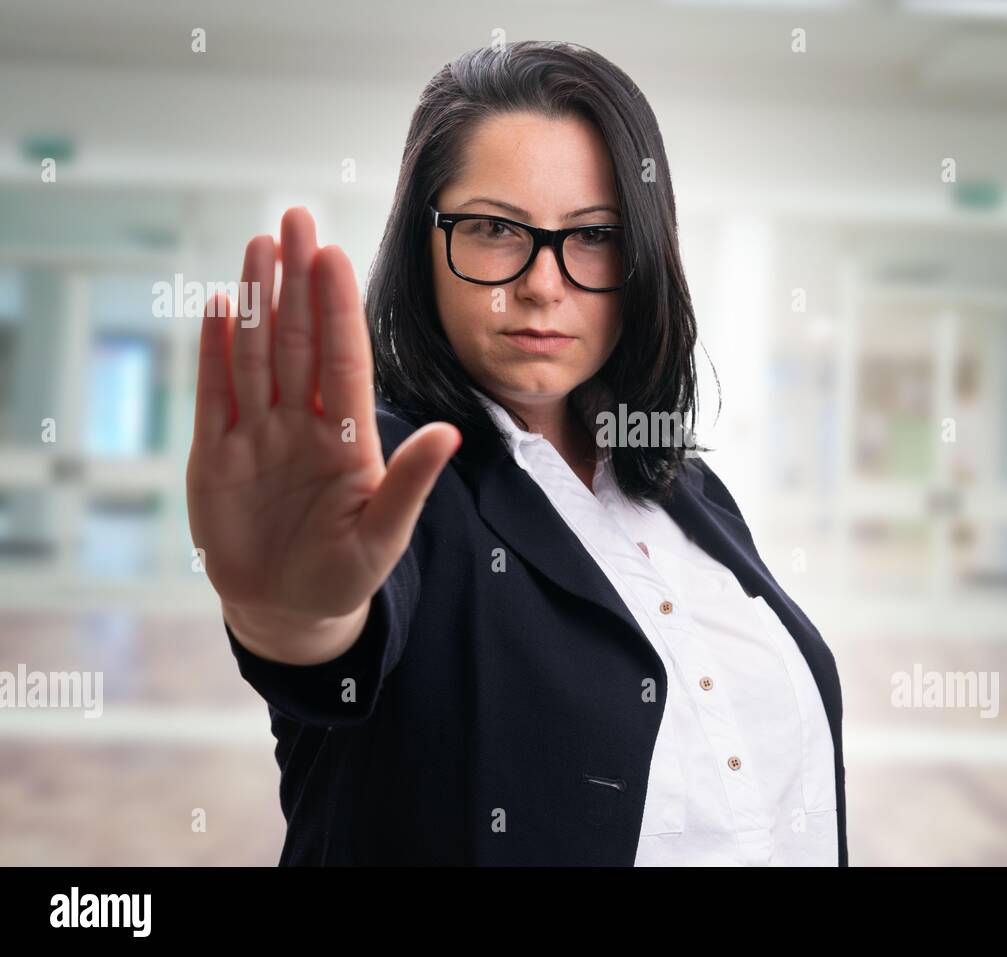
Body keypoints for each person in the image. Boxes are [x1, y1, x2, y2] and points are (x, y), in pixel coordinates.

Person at [186, 39, 847, 866]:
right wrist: (293, 615)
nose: (542, 283)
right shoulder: (396, 470)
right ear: (423, 243)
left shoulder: (687, 490)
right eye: (496, 228)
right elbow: (338, 639)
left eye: (594, 235)